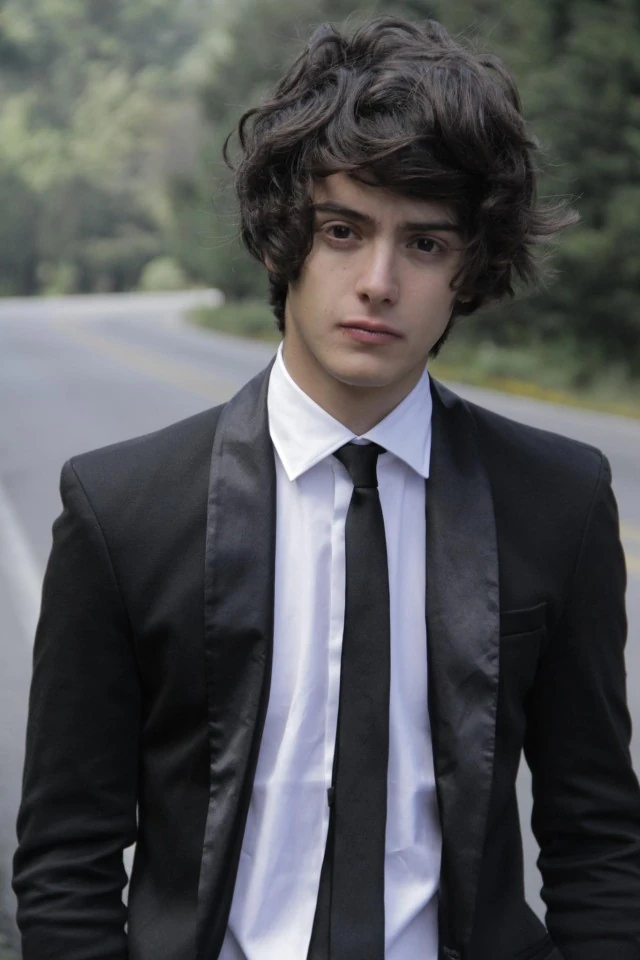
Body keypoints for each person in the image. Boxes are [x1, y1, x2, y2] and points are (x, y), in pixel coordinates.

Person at [12, 15, 640, 960]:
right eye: (343, 231)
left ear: (468, 268)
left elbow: (598, 841)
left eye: (424, 244)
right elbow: (68, 857)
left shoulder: (559, 500)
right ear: (282, 241)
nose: (378, 282)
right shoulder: (122, 509)